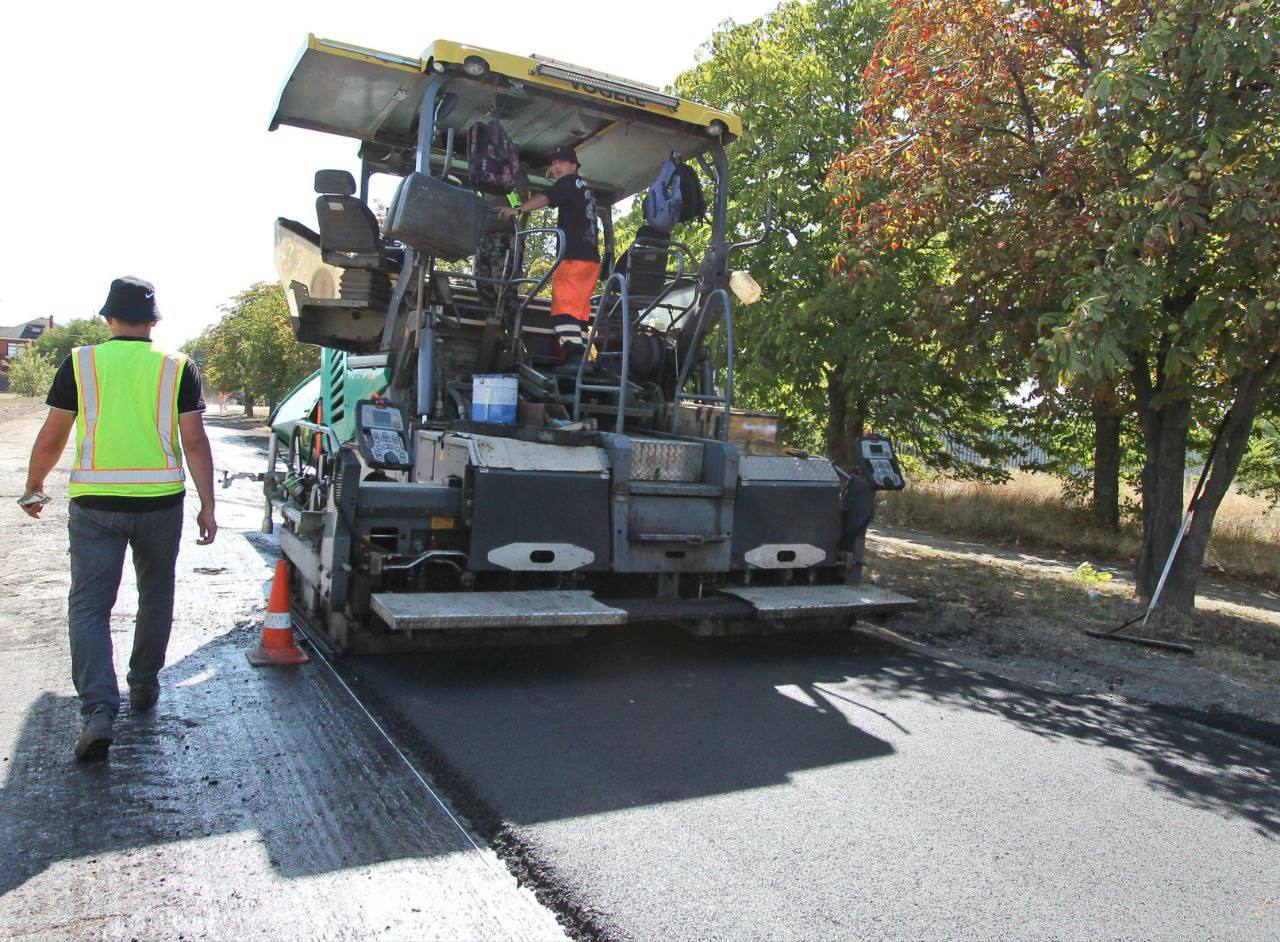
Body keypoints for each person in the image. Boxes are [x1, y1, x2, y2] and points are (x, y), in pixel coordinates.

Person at [18, 276, 217, 762]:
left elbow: (53, 434)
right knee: (156, 595)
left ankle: (100, 711)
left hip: (95, 505)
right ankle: (144, 684)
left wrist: (34, 486)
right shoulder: (177, 367)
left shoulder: (81, 362)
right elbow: (194, 440)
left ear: (108, 318)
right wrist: (209, 503)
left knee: (89, 607)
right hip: (160, 505)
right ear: (153, 321)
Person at [499, 144, 599, 370]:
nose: (556, 166)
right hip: (591, 259)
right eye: (554, 163)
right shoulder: (585, 188)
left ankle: (574, 357)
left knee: (563, 308)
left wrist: (518, 210)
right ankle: (585, 360)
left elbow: (545, 197)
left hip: (573, 256)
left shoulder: (568, 182)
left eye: (561, 162)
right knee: (579, 312)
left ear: (573, 165)